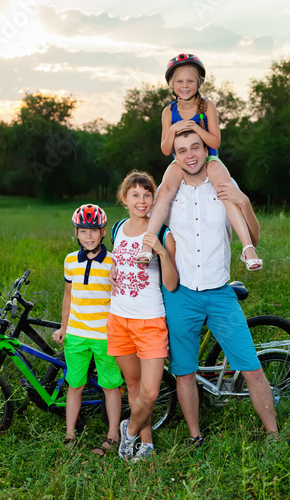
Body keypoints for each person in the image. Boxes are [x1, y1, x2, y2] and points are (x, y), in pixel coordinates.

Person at [161, 129, 278, 446]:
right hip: (181, 296)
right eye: (182, 150)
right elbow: (141, 217)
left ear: (204, 151)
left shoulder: (222, 183)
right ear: (176, 158)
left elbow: (252, 237)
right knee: (184, 372)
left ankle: (274, 435)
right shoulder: (171, 193)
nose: (190, 155)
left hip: (219, 294)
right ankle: (195, 436)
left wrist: (247, 204)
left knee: (252, 369)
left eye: (195, 147)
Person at [137, 53, 262, 272]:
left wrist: (196, 128)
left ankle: (248, 247)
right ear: (171, 84)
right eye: (179, 81)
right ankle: (148, 246)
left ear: (199, 83)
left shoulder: (207, 106)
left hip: (209, 158)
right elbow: (166, 150)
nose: (185, 86)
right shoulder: (168, 111)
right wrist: (175, 129)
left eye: (190, 81)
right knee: (165, 191)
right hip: (180, 160)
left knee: (225, 191)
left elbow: (215, 142)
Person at [107, 170, 178, 462]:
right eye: (135, 194)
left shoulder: (163, 232)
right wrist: (112, 268)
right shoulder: (118, 227)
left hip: (150, 322)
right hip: (118, 319)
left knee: (149, 394)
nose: (142, 200)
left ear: (154, 198)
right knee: (133, 388)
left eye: (148, 194)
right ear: (124, 199)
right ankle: (146, 445)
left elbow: (172, 284)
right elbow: (115, 259)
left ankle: (130, 430)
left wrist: (161, 252)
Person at [53, 204, 123, 455]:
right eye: (83, 231)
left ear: (103, 231)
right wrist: (64, 327)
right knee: (75, 384)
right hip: (77, 335)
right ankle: (70, 433)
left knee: (110, 385)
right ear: (76, 233)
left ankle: (113, 434)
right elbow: (68, 298)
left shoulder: (114, 261)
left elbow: (119, 299)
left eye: (94, 231)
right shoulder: (71, 260)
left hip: (105, 335)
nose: (89, 236)